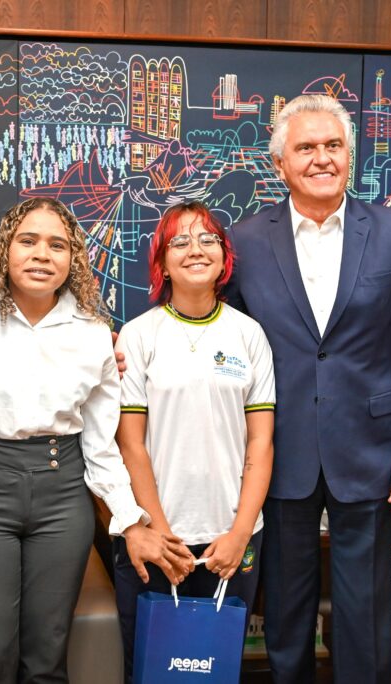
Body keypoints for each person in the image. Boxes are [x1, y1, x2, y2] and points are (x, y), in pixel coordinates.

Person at [224, 94, 391, 683]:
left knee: (365, 613)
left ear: (349, 155)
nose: (322, 158)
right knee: (285, 610)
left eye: (333, 146)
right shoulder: (244, 240)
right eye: (306, 148)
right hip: (279, 452)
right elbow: (223, 340)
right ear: (280, 164)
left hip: (371, 453)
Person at [0, 197, 191, 683]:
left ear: (73, 259)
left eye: (57, 245)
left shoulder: (94, 334)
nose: (41, 254)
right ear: (4, 250)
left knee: (47, 655)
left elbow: (100, 445)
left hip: (62, 496)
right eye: (27, 241)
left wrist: (129, 518)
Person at [113, 200, 275, 682]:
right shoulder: (138, 336)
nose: (196, 249)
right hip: (156, 538)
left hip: (232, 538)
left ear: (225, 258)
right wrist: (162, 534)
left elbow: (261, 443)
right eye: (179, 242)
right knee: (152, 667)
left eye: (208, 240)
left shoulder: (249, 335)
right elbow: (131, 446)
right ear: (162, 263)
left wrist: (240, 533)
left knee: (213, 667)